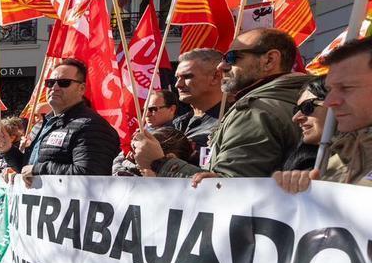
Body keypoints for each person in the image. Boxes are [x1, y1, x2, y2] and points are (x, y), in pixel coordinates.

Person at [135, 29, 309, 181]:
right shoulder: (301, 103)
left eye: (232, 57)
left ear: (269, 60)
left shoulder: (255, 112)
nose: (222, 65)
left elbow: (226, 192)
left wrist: (160, 162)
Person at [275, 37, 372, 192]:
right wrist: (300, 194)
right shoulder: (340, 157)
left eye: (346, 87)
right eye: (330, 89)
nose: (329, 102)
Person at [20, 58, 121, 185]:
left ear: (81, 89)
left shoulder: (92, 126)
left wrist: (38, 169)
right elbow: (27, 167)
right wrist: (8, 152)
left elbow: (90, 173)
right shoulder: (40, 125)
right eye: (50, 82)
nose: (55, 87)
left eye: (64, 83)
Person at [170, 49, 226, 154]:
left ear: (215, 77)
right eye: (177, 78)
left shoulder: (231, 123)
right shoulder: (178, 124)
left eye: (187, 77)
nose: (178, 84)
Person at [280, 78, 328, 172]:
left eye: (307, 107)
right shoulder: (303, 162)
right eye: (296, 110)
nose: (295, 118)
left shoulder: (352, 163)